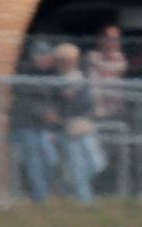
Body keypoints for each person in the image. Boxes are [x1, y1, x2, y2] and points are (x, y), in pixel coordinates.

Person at [9, 40, 59, 203]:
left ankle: (41, 190)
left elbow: (56, 98)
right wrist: (43, 113)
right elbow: (23, 100)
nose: (48, 60)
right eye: (44, 56)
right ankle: (40, 198)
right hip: (25, 125)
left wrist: (52, 114)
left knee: (51, 160)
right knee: (34, 161)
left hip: (43, 127)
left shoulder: (53, 74)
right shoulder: (24, 71)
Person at [54, 43, 104, 204]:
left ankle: (70, 188)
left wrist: (74, 99)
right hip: (67, 128)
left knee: (97, 163)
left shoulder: (81, 78)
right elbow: (60, 106)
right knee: (77, 165)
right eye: (65, 60)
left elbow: (86, 103)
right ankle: (84, 201)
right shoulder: (55, 81)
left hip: (84, 125)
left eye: (72, 60)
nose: (69, 63)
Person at [85, 25, 126, 121]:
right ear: (101, 39)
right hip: (94, 107)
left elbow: (119, 71)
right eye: (109, 38)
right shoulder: (92, 56)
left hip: (116, 108)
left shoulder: (121, 59)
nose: (112, 42)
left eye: (116, 39)